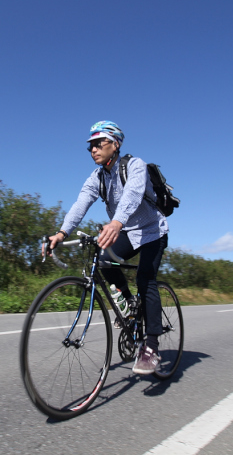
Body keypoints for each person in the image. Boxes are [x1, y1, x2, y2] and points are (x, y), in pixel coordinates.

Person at [43, 120, 169, 375]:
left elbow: (133, 195)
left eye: (99, 144)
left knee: (146, 280)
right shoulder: (96, 178)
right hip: (126, 231)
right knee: (103, 260)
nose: (93, 150)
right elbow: (81, 204)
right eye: (90, 146)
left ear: (115, 144)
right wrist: (61, 232)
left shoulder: (135, 165)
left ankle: (152, 347)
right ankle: (130, 303)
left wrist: (115, 222)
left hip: (152, 231)